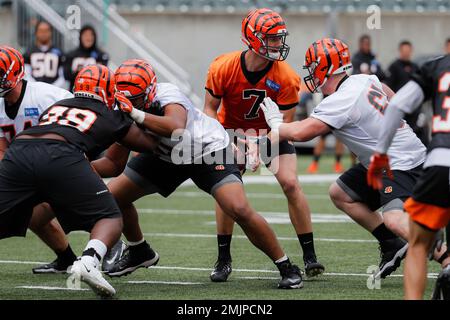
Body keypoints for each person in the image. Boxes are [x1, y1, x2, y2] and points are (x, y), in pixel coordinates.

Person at [90, 59, 303, 289]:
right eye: (127, 100)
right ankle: (139, 249)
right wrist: (80, 166)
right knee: (110, 197)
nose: (131, 104)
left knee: (238, 208)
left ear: (151, 90)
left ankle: (286, 266)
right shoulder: (123, 110)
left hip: (207, 151)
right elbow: (113, 163)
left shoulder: (167, 94)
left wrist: (135, 113)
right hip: (165, 157)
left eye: (136, 98)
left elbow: (175, 126)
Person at [259, 38, 434, 279]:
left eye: (313, 67)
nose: (311, 73)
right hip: (390, 158)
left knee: (395, 220)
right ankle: (391, 244)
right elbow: (392, 97)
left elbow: (301, 132)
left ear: (324, 68)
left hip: (399, 164)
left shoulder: (340, 100)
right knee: (341, 193)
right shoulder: (364, 79)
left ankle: (443, 254)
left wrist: (276, 124)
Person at [0, 64, 159, 297]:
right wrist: (138, 116)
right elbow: (149, 145)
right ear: (108, 90)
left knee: (25, 216)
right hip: (61, 155)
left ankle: (71, 258)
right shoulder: (110, 114)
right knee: (111, 217)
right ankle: (88, 261)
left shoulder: (57, 106)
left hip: (20, 152)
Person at [203, 7, 324, 283]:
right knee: (225, 190)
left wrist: (259, 145)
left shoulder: (286, 77)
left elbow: (287, 126)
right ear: (252, 38)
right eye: (271, 38)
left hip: (273, 134)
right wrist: (225, 140)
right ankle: (223, 259)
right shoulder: (223, 66)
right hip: (230, 133)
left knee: (291, 183)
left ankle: (309, 255)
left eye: (279, 38)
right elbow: (209, 110)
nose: (277, 44)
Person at [367, 53, 450, 299]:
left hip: (439, 162)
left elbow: (397, 105)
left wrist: (381, 153)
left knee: (418, 244)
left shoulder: (436, 65)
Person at [0, 45, 78, 274]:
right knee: (34, 217)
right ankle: (67, 259)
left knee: (89, 210)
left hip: (61, 164)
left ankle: (113, 247)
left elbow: (81, 118)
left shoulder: (45, 95)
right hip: (28, 171)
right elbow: (2, 150)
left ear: (14, 73)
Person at [385, 40, 429, 146]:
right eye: (404, 50)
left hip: (415, 110)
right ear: (400, 51)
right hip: (400, 110)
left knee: (422, 136)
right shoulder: (394, 67)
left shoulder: (415, 67)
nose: (406, 53)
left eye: (408, 50)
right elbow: (388, 87)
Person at [64, 25, 109, 91]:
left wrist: (80, 71)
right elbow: (66, 76)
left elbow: (103, 77)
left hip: (94, 93)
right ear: (80, 37)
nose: (88, 38)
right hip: (75, 93)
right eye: (85, 35)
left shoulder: (101, 55)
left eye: (91, 35)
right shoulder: (71, 55)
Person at [23, 21, 66, 88]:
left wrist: (52, 87)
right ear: (36, 33)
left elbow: (63, 76)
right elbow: (26, 75)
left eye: (46, 30)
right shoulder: (28, 52)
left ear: (51, 32)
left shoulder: (59, 52)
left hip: (54, 90)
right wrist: (37, 87)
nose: (43, 33)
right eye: (41, 30)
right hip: (34, 90)